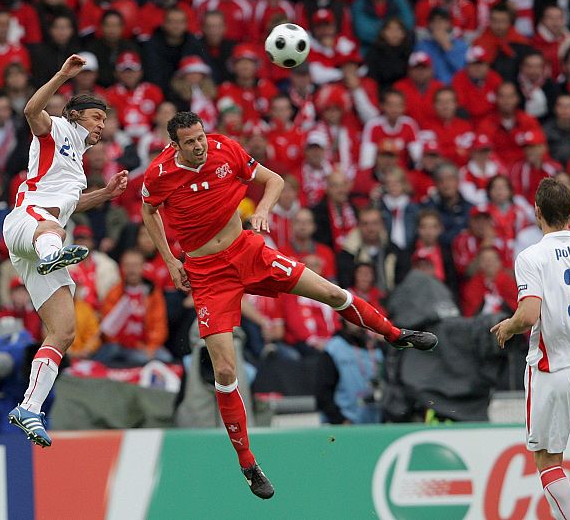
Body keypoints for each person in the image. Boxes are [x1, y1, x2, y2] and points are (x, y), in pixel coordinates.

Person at [141, 111, 437, 499]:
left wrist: (262, 210)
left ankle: (395, 335)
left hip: (248, 250)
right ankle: (248, 462)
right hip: (207, 273)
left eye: (201, 137)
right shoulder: (159, 174)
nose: (200, 146)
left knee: (330, 292)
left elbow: (274, 180)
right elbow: (149, 210)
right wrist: (169, 259)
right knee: (226, 369)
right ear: (174, 145)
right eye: (191, 142)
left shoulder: (224, 149)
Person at [3, 55, 128, 447]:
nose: (100, 126)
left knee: (64, 331)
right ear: (75, 116)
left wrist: (104, 194)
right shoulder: (56, 128)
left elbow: (70, 204)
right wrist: (61, 75)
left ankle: (29, 407)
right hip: (27, 222)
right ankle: (51, 252)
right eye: (95, 118)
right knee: (51, 225)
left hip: (42, 239)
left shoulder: (76, 165)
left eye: (104, 121)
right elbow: (30, 109)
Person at [492, 177, 570, 520]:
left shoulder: (532, 256)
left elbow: (529, 313)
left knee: (548, 459)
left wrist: (507, 325)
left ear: (537, 212)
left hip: (552, 370)